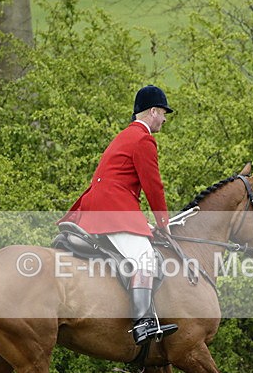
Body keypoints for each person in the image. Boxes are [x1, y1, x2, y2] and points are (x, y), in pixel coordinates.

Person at [59, 85, 178, 345]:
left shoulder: (125, 135)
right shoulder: (144, 139)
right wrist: (163, 224)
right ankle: (143, 324)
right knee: (145, 258)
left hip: (99, 206)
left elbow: (119, 184)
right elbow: (153, 186)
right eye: (164, 113)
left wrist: (142, 222)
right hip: (112, 209)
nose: (165, 119)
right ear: (154, 111)